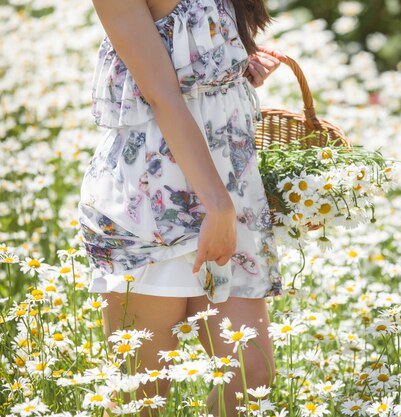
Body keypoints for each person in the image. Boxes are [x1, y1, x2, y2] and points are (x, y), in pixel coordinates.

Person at [77, 0, 288, 415]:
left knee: (252, 375)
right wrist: (218, 208)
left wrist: (234, 66)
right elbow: (161, 95)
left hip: (229, 190)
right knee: (143, 399)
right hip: (154, 206)